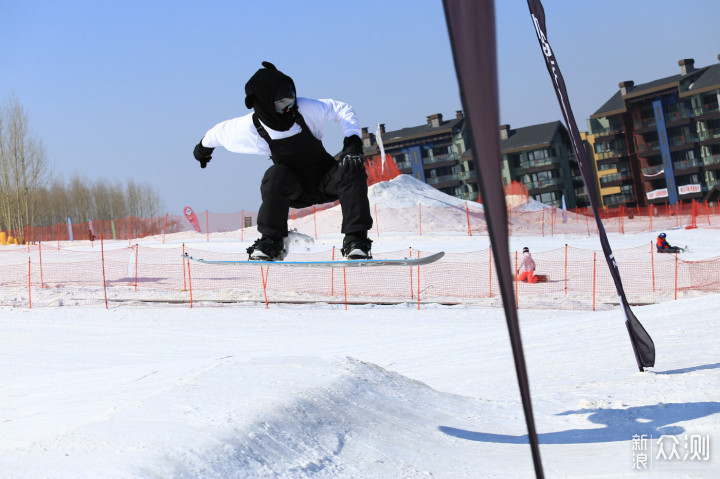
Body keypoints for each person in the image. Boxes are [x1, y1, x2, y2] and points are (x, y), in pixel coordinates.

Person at [193, 61, 373, 261]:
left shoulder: (305, 109)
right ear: (265, 106)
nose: (291, 106)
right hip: (292, 189)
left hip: (326, 181)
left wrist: (353, 142)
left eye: (292, 98)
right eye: (283, 103)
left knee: (352, 166)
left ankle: (356, 241)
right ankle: (271, 242)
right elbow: (217, 134)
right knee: (274, 175)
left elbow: (342, 109)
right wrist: (203, 149)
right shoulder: (249, 128)